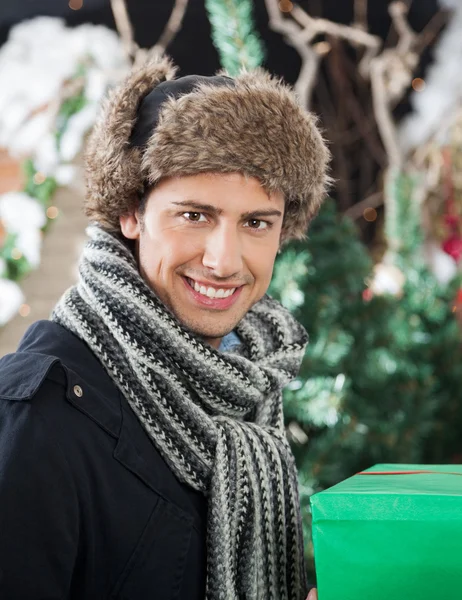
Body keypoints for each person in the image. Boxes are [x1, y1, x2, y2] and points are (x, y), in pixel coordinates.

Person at [0, 56, 329, 599]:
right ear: (132, 212)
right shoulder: (38, 416)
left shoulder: (244, 387)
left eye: (255, 223)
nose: (224, 261)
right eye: (194, 215)